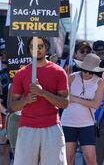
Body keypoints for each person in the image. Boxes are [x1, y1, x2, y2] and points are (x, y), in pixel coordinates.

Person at [10, 37, 69, 165]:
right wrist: (26, 100)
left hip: (52, 127)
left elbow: (65, 103)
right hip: (27, 128)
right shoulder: (21, 73)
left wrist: (42, 93)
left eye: (40, 46)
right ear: (29, 50)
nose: (37, 50)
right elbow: (12, 106)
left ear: (46, 48)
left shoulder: (59, 72)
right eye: (33, 47)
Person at [61, 53, 104, 165]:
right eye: (85, 70)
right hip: (68, 122)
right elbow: (63, 96)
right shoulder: (72, 76)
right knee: (68, 159)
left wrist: (75, 98)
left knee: (91, 159)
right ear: (81, 67)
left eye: (91, 71)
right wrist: (63, 75)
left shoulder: (99, 81)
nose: (87, 73)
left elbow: (95, 105)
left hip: (87, 124)